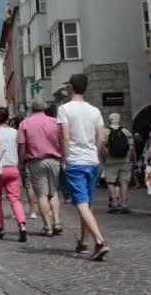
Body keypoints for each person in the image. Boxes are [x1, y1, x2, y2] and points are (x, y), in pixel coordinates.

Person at [57, 74, 110, 261]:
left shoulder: (64, 109)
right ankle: (83, 242)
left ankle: (100, 241)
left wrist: (65, 158)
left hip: (75, 161)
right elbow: (102, 138)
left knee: (81, 204)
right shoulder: (95, 111)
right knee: (86, 204)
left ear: (70, 87)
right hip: (91, 162)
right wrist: (96, 154)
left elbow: (64, 137)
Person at [18, 97, 63, 237]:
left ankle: (47, 226)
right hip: (54, 159)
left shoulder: (25, 123)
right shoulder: (55, 122)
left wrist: (21, 162)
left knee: (42, 195)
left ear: (32, 109)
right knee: (53, 192)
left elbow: (22, 145)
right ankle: (57, 222)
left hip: (36, 161)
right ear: (44, 108)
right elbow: (62, 140)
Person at [0, 107, 27, 242]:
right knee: (14, 199)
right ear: (7, 117)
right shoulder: (15, 132)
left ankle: (0, 228)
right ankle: (22, 225)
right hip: (13, 168)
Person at [104, 113, 135, 214]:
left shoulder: (106, 131)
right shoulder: (126, 131)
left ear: (110, 120)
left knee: (110, 182)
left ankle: (115, 204)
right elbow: (131, 147)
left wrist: (104, 158)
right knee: (124, 182)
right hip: (124, 160)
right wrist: (129, 159)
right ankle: (124, 204)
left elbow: (103, 147)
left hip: (110, 160)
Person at [12, 115, 38, 220]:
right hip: (34, 159)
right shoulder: (30, 130)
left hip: (21, 161)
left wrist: (20, 164)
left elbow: (18, 148)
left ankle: (21, 211)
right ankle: (35, 211)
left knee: (23, 187)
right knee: (37, 186)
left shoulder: (16, 133)